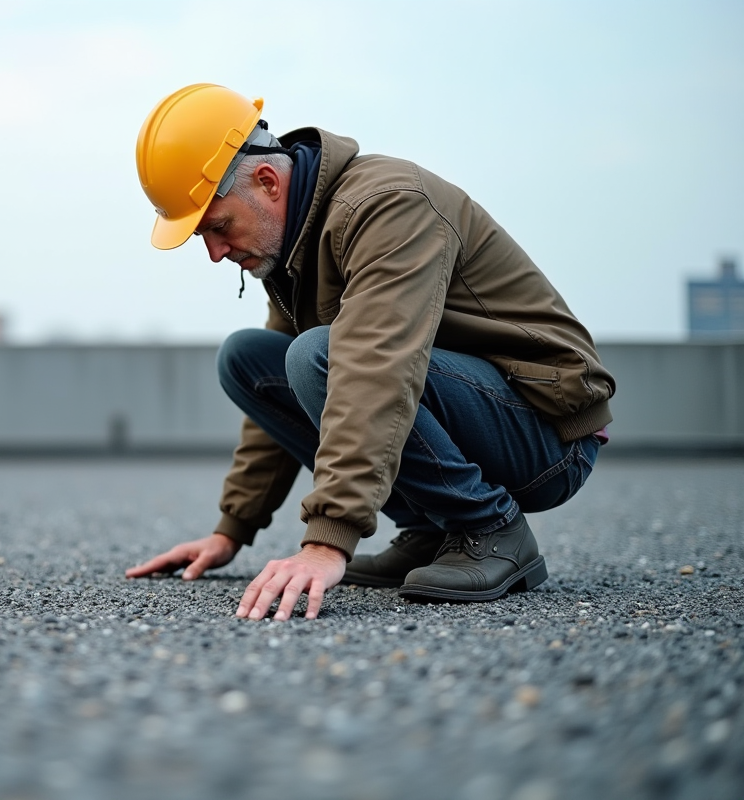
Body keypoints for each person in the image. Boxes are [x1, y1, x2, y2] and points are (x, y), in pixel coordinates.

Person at [125, 84, 615, 620]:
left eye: (218, 227)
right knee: (247, 357)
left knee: (319, 355)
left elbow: (375, 369)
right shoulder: (290, 247)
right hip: (468, 407)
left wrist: (327, 540)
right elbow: (287, 397)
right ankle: (431, 529)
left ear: (267, 181)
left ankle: (489, 527)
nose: (215, 253)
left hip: (545, 434)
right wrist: (231, 530)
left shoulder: (387, 205)